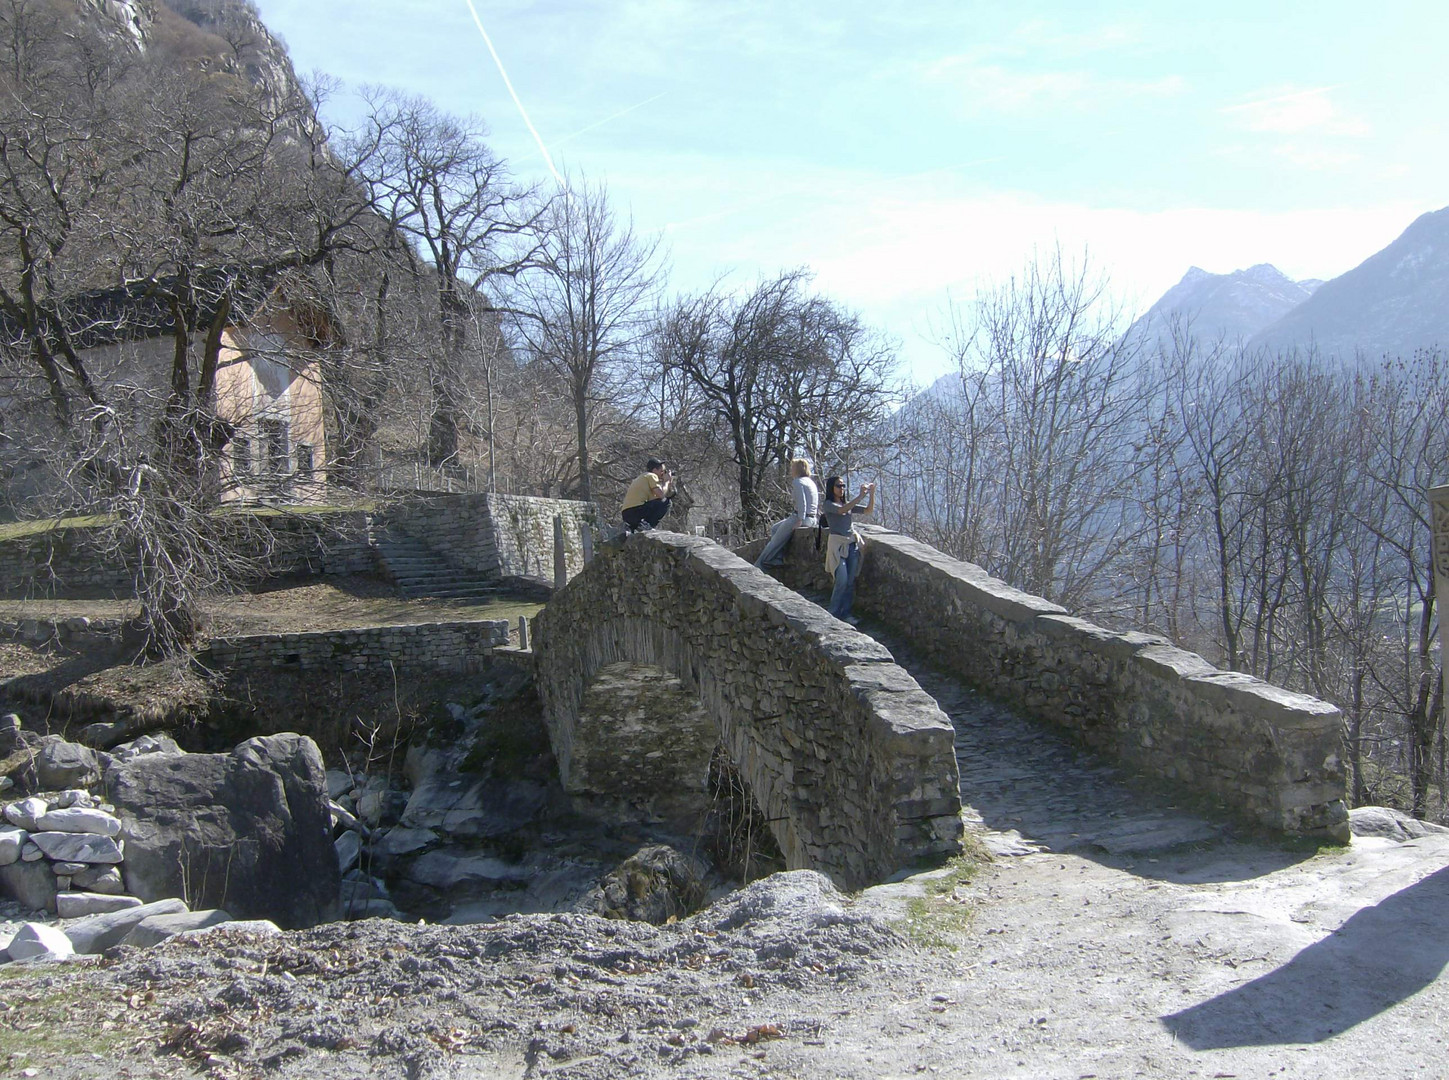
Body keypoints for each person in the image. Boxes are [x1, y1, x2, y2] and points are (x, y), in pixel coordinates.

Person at [819, 475, 874, 622]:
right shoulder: (829, 504)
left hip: (851, 544)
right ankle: (833, 613)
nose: (842, 488)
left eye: (843, 486)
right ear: (832, 488)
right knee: (841, 579)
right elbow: (842, 510)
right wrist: (861, 495)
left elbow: (868, 510)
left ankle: (846, 613)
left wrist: (871, 494)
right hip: (837, 546)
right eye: (839, 486)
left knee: (850, 582)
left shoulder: (848, 505)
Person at [755, 458, 819, 569]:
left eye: (792, 467)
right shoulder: (810, 482)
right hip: (812, 518)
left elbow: (801, 502)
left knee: (775, 542)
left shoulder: (798, 482)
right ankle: (778, 558)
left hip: (801, 518)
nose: (791, 470)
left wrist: (799, 520)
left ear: (797, 469)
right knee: (775, 528)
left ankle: (760, 564)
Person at [621, 457, 675, 532]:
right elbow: (662, 495)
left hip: (627, 514)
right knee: (667, 502)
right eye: (662, 471)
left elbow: (662, 497)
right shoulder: (651, 476)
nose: (662, 474)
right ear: (654, 470)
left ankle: (637, 526)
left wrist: (669, 484)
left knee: (660, 502)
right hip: (636, 510)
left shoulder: (644, 477)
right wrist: (666, 482)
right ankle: (647, 525)